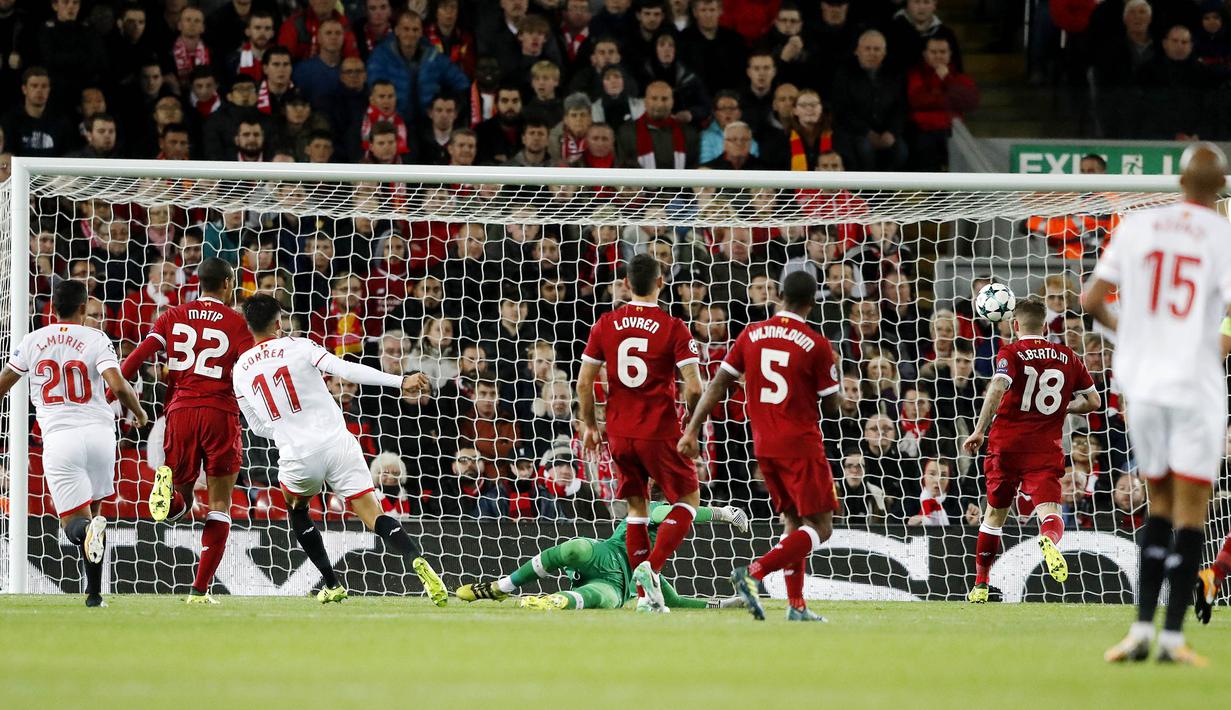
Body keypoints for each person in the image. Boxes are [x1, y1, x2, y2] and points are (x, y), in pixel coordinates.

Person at [1084, 142, 1231, 666]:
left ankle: (1139, 631)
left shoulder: (1138, 227)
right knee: (1192, 509)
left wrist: (1138, 336)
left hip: (1142, 383)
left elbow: (1091, 300)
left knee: (1158, 503)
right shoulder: (1223, 236)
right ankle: (1172, 638)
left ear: (1177, 180)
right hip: (1194, 382)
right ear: (1220, 187)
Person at [232, 294, 448, 606]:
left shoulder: (240, 370)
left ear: (248, 326)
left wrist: (285, 429)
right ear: (279, 323)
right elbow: (346, 370)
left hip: (297, 455)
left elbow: (255, 426)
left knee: (297, 510)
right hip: (337, 443)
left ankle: (332, 583)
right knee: (374, 515)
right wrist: (400, 380)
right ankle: (416, 560)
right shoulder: (300, 346)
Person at [679, 270, 842, 622]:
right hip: (800, 443)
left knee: (794, 522)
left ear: (779, 296)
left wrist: (692, 430)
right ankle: (754, 571)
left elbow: (717, 385)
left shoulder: (751, 335)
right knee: (822, 527)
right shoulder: (815, 343)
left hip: (764, 444)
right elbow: (831, 407)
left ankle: (796, 605)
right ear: (812, 304)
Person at [0, 280, 148, 607]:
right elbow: (119, 386)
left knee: (75, 525)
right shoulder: (96, 338)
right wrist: (139, 413)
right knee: (95, 516)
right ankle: (94, 596)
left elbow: (4, 383)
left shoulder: (32, 340)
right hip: (100, 435)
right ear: (83, 309)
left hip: (60, 437)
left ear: (52, 309)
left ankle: (89, 566)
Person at [119, 258, 254, 604]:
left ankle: (172, 496)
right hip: (220, 413)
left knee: (181, 503)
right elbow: (253, 368)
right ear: (227, 283)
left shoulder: (170, 316)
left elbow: (134, 361)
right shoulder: (238, 323)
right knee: (220, 502)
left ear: (198, 283)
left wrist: (112, 397)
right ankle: (199, 590)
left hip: (178, 412)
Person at [576, 254, 703, 613]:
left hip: (619, 432)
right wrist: (692, 427)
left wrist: (589, 425)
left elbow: (585, 382)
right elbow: (694, 387)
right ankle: (652, 569)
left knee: (636, 509)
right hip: (659, 431)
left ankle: (645, 599)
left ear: (627, 284)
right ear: (661, 282)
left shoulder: (606, 323)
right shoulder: (673, 326)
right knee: (688, 501)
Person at [961, 296, 1100, 603]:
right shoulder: (1067, 355)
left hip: (1006, 445)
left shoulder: (1010, 352)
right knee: (1050, 511)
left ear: (1015, 324)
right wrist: (1063, 407)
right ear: (1046, 325)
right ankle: (1048, 539)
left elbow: (998, 386)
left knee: (994, 514)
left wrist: (979, 430)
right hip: (1045, 447)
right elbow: (1093, 402)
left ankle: (981, 584)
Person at [456, 501, 750, 610]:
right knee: (575, 548)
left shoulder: (650, 571)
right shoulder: (657, 511)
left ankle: (551, 602)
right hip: (605, 554)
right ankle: (500, 587)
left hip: (619, 585)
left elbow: (676, 601)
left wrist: (725, 604)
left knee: (601, 599)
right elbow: (676, 512)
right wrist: (722, 513)